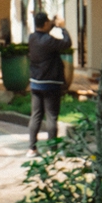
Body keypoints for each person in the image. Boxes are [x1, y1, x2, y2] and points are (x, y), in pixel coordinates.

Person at [27, 13, 75, 151]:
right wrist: (63, 28)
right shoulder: (48, 40)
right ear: (45, 24)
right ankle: (52, 149)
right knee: (51, 116)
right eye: (48, 22)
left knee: (36, 115)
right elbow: (67, 43)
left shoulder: (32, 38)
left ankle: (31, 148)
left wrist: (53, 23)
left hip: (35, 82)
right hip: (50, 83)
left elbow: (46, 29)